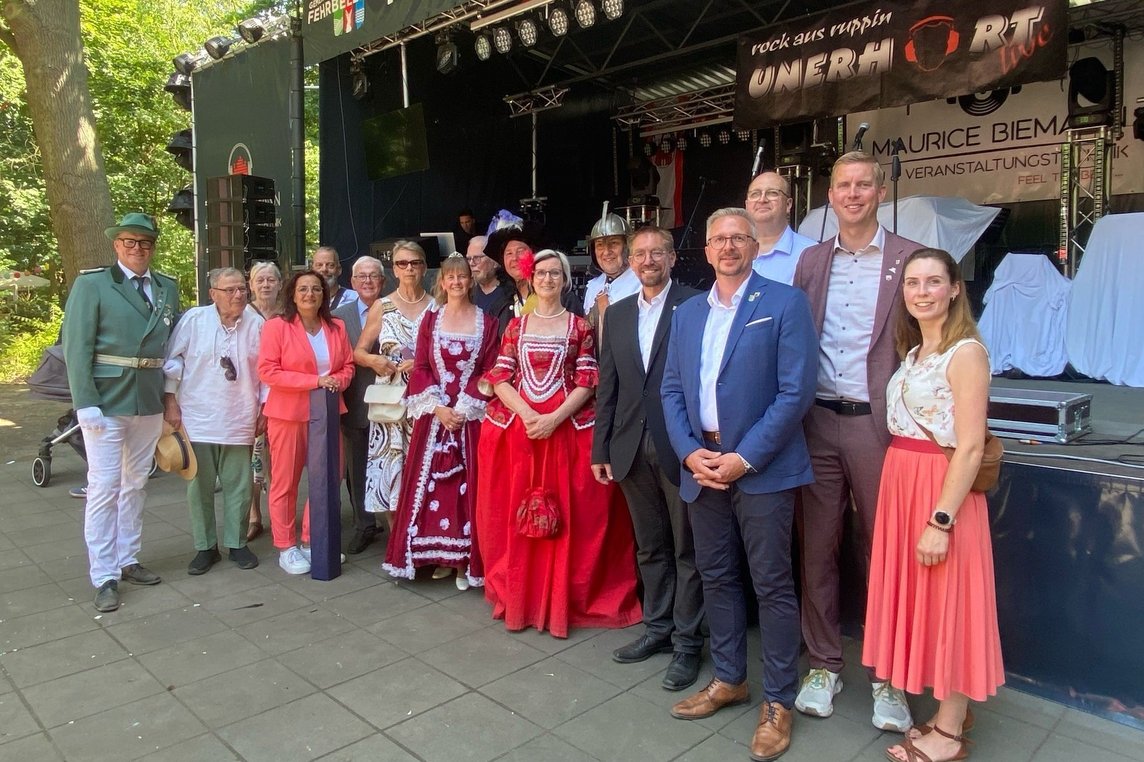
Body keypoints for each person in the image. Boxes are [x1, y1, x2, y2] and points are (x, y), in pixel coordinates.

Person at [661, 208, 817, 762]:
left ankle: (778, 701)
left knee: (771, 585)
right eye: (718, 240)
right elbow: (672, 390)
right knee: (717, 576)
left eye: (738, 238)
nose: (728, 247)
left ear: (754, 246)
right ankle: (729, 679)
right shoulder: (687, 313)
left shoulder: (785, 302)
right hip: (702, 465)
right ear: (705, 251)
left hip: (762, 468)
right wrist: (689, 453)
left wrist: (744, 458)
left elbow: (796, 392)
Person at [792, 151, 925, 730]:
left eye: (863, 184)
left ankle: (888, 675)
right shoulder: (811, 261)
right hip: (818, 423)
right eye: (843, 185)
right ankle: (824, 664)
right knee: (817, 549)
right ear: (829, 195)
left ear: (880, 191)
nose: (853, 194)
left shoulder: (909, 259)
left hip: (880, 426)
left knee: (884, 552)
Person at [867, 248, 1004, 762]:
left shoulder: (966, 353)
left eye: (933, 282)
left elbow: (969, 447)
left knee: (953, 603)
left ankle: (948, 734)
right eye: (912, 282)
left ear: (954, 290)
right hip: (903, 484)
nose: (921, 292)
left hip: (941, 492)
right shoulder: (914, 353)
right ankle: (953, 710)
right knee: (929, 600)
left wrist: (941, 520)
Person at [477, 248, 641, 638]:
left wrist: (553, 419)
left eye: (555, 273)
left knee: (573, 515)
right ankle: (526, 596)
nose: (547, 279)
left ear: (565, 281)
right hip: (522, 433)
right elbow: (501, 376)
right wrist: (529, 415)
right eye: (541, 273)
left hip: (566, 430)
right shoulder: (516, 327)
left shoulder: (580, 327)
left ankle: (564, 597)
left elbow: (587, 380)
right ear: (531, 279)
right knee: (519, 511)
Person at [591, 226, 705, 691]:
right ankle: (657, 629)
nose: (648, 260)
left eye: (657, 252)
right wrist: (601, 447)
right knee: (650, 546)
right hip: (629, 447)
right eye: (639, 253)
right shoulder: (617, 313)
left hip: (680, 445)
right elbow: (609, 384)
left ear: (673, 258)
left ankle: (688, 643)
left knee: (687, 549)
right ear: (630, 261)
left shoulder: (696, 304)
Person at [61, 212, 180, 612]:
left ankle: (128, 558)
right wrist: (85, 402)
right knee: (104, 487)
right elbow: (77, 346)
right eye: (130, 242)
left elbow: (169, 345)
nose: (137, 249)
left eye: (145, 243)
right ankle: (104, 575)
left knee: (136, 484)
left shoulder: (166, 287)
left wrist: (169, 389)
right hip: (107, 399)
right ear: (116, 245)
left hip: (147, 398)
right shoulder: (93, 284)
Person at [382, 254, 499, 589]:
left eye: (462, 276)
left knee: (468, 489)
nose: (457, 282)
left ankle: (464, 562)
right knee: (431, 486)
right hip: (435, 418)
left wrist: (463, 406)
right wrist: (438, 408)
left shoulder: (487, 322)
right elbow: (421, 367)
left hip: (468, 418)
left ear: (470, 281)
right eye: (451, 277)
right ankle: (435, 558)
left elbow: (489, 369)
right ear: (443, 282)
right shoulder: (431, 320)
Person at [162, 267, 263, 574]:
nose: (238, 295)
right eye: (230, 290)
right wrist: (170, 400)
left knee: (239, 486)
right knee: (199, 486)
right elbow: (172, 360)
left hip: (240, 416)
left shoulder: (256, 323)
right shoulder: (194, 320)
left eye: (242, 289)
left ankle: (237, 543)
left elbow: (267, 370)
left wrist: (265, 407)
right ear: (213, 294)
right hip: (198, 417)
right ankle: (205, 547)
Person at [257, 271, 355, 575]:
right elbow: (268, 371)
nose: (309, 294)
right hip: (288, 415)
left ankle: (315, 540)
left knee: (328, 477)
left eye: (316, 289)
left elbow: (348, 365)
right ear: (292, 294)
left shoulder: (336, 326)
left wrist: (336, 381)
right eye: (303, 289)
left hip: (327, 413)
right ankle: (286, 545)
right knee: (285, 482)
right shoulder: (277, 326)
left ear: (324, 294)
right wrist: (316, 381)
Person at [354, 242, 435, 529]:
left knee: (426, 468)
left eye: (415, 262)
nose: (409, 268)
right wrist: (374, 360)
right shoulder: (382, 306)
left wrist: (424, 364)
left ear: (424, 268)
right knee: (391, 470)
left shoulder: (438, 306)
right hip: (391, 401)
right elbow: (359, 351)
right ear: (394, 270)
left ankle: (423, 540)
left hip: (427, 400)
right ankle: (397, 542)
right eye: (402, 263)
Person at [332, 256, 386, 555]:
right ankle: (364, 525)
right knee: (357, 468)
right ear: (352, 282)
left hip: (393, 402)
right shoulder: (338, 317)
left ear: (383, 280)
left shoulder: (396, 307)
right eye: (361, 276)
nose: (367, 281)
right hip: (355, 402)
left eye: (373, 275)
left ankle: (397, 526)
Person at [484, 211, 582, 320]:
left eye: (520, 251)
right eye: (509, 253)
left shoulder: (563, 299)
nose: (514, 258)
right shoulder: (500, 306)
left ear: (534, 254)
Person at [246, 260, 283, 542]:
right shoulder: (243, 313)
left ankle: (278, 516)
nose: (266, 285)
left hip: (281, 395)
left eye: (271, 280)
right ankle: (253, 515)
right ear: (251, 285)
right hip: (248, 394)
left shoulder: (288, 314)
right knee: (251, 457)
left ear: (280, 284)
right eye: (260, 280)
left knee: (278, 460)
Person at [745, 171, 816, 286]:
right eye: (755, 194)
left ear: (788, 204)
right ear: (747, 205)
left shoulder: (811, 252)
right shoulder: (734, 248)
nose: (762, 199)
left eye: (772, 193)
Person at [581, 207, 640, 332]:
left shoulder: (641, 285)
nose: (606, 252)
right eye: (600, 245)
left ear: (627, 246)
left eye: (614, 243)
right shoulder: (592, 287)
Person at [467, 234, 514, 336]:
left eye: (477, 258)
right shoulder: (467, 293)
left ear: (495, 262)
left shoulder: (511, 294)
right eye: (469, 258)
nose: (471, 263)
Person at [312, 246, 358, 310]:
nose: (324, 269)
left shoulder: (356, 299)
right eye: (319, 265)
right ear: (312, 270)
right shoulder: (306, 300)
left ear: (339, 270)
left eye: (330, 265)